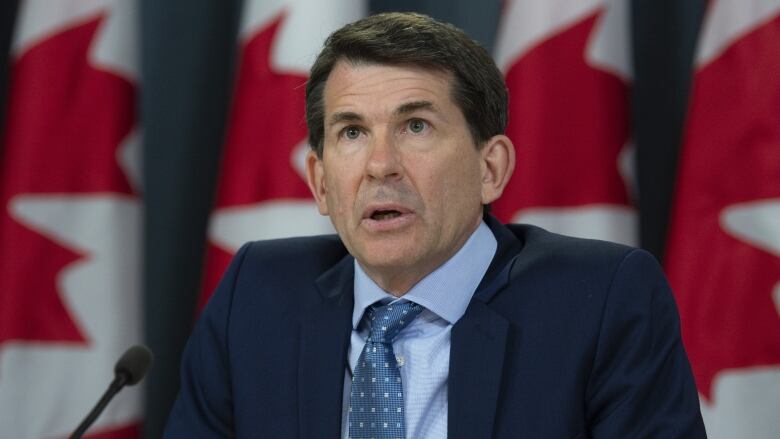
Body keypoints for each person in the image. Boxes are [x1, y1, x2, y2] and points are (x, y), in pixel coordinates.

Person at [164, 12, 706, 438]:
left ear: (490, 168)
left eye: (415, 126)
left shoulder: (602, 301)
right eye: (352, 133)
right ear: (321, 182)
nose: (381, 165)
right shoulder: (257, 295)